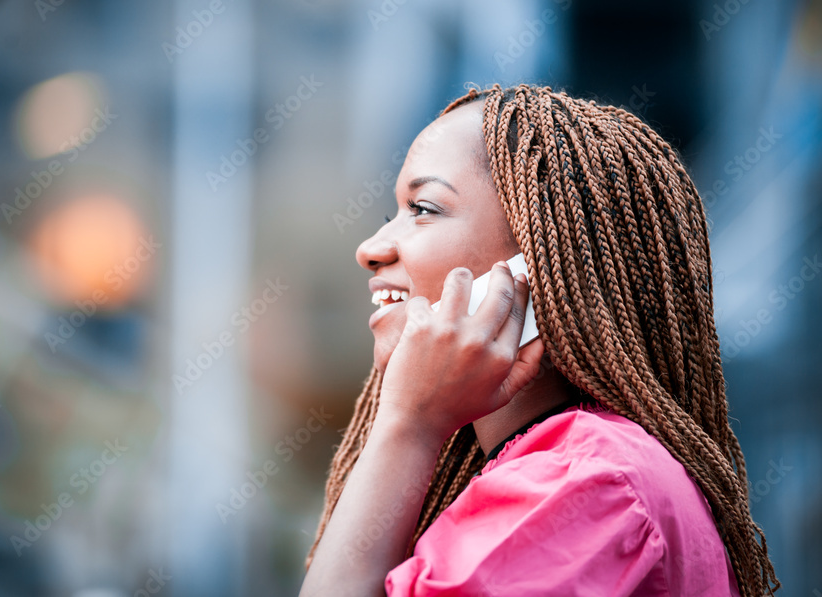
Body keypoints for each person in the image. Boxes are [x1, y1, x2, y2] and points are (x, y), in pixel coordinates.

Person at [298, 84, 780, 597]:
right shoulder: (566, 466)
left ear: (542, 261)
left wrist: (410, 424)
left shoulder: (589, 482)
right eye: (391, 213)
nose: (370, 249)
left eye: (423, 208)